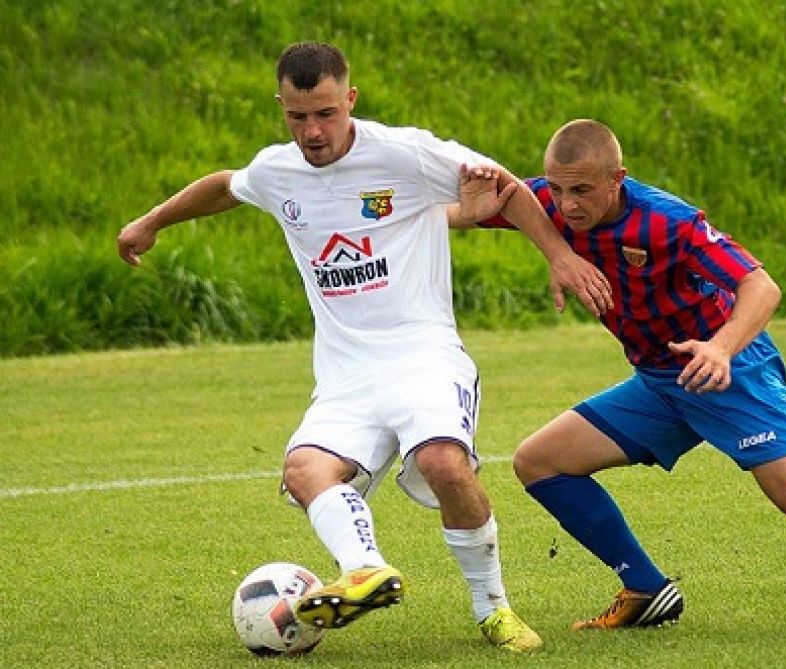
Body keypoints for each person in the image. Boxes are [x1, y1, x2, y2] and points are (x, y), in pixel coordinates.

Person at [117, 43, 614, 652]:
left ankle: (494, 610)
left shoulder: (405, 153)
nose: (313, 131)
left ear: (349, 99)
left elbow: (506, 189)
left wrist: (559, 256)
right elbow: (226, 186)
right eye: (298, 117)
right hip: (346, 376)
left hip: (424, 356)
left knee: (442, 464)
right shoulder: (279, 171)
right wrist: (152, 221)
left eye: (326, 113)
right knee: (304, 471)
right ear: (282, 107)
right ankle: (364, 570)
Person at [449, 119, 786, 639]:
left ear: (618, 179)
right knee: (540, 462)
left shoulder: (669, 221)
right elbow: (479, 204)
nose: (568, 204)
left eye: (583, 190)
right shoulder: (549, 203)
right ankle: (645, 588)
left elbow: (762, 286)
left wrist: (721, 348)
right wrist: (439, 214)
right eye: (559, 188)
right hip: (661, 381)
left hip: (730, 372)